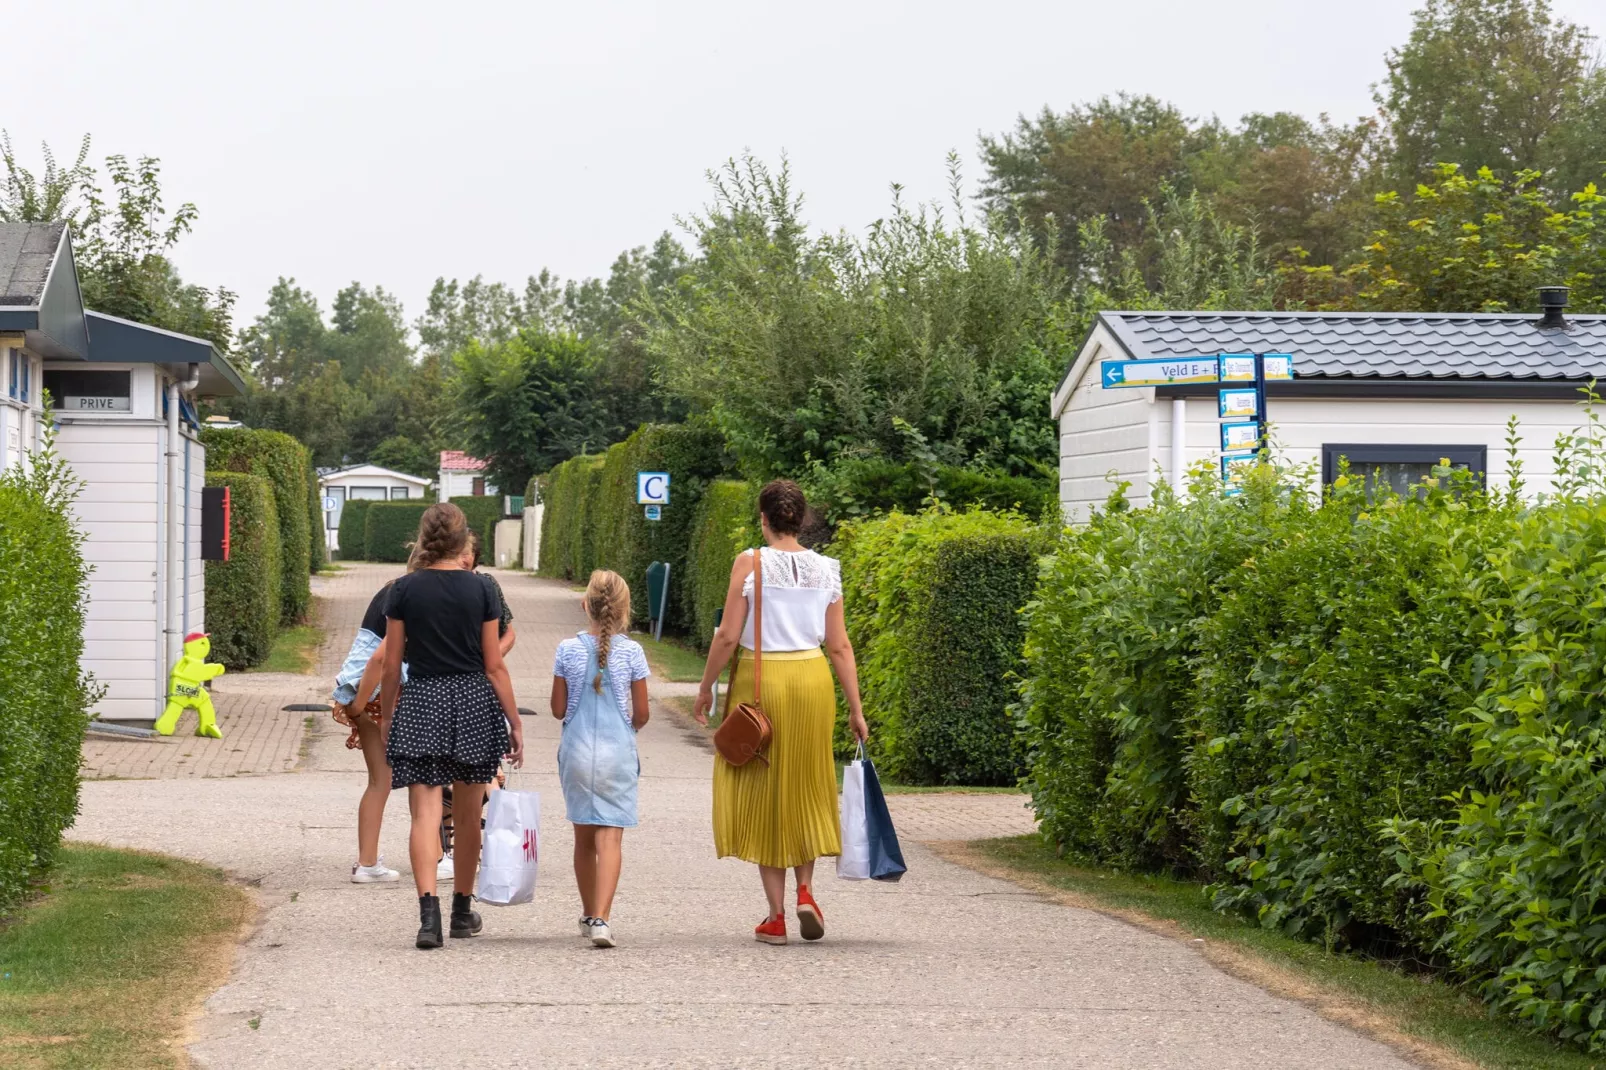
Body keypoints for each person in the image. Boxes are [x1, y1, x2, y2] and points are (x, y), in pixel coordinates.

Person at [693, 480, 869, 945]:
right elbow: (839, 645)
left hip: (763, 678)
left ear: (764, 518)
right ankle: (806, 891)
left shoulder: (750, 563)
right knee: (807, 782)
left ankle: (775, 917)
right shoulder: (826, 569)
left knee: (767, 788)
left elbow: (728, 636)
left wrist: (706, 687)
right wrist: (856, 708)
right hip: (812, 680)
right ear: (801, 519)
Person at [381, 503, 524, 950]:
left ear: (423, 540)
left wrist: (388, 715)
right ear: (464, 543)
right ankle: (463, 910)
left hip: (423, 700)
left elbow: (391, 663)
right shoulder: (482, 589)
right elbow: (494, 663)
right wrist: (514, 721)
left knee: (424, 815)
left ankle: (429, 918)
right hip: (474, 701)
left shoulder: (402, 590)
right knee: (467, 815)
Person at [551, 569, 650, 948]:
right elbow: (640, 714)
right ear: (625, 611)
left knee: (583, 839)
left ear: (585, 605)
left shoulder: (567, 650)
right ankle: (603, 920)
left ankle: (588, 910)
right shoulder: (633, 653)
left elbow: (559, 709)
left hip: (577, 753)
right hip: (617, 754)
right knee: (611, 838)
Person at [436, 531, 518, 882]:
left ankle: (497, 841)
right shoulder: (430, 583)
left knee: (484, 774)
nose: (465, 557)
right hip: (443, 687)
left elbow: (510, 632)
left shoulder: (487, 586)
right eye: (461, 550)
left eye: (469, 551)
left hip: (480, 684)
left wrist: (490, 656)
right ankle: (446, 846)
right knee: (444, 779)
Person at [330, 567, 416, 884]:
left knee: (378, 782)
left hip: (364, 692)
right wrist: (359, 703)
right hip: (383, 695)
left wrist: (354, 704)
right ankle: (436, 857)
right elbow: (380, 658)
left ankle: (366, 862)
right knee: (423, 784)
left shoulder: (387, 591)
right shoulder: (411, 597)